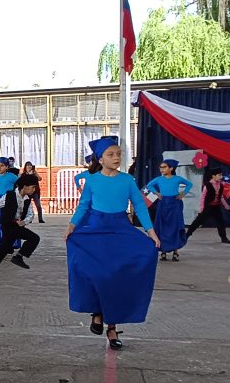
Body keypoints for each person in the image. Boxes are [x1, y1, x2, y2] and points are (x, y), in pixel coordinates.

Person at [65, 137, 160, 350]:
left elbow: (140, 205)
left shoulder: (127, 180)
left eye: (118, 154)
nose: (116, 157)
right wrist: (72, 226)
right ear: (100, 159)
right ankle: (97, 312)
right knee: (93, 272)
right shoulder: (92, 180)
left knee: (118, 276)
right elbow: (84, 205)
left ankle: (112, 327)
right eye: (111, 154)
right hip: (95, 230)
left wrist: (150, 232)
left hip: (120, 229)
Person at [0, 174, 41, 281]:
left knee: (3, 250)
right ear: (25, 186)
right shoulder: (10, 195)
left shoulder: (27, 199)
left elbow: (31, 214)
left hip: (16, 225)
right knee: (34, 238)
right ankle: (18, 257)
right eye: (33, 187)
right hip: (8, 225)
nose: (34, 189)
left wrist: (24, 222)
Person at [145, 159, 192, 261]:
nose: (161, 169)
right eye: (161, 167)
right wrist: (157, 193)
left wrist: (183, 193)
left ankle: (175, 252)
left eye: (164, 167)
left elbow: (189, 184)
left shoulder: (177, 178)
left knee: (175, 226)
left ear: (171, 168)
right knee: (162, 226)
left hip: (175, 204)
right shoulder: (158, 179)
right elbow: (149, 185)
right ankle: (163, 251)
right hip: (163, 204)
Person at [185, 167, 230, 243]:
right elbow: (203, 197)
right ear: (213, 176)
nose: (221, 177)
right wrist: (202, 208)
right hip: (208, 206)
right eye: (219, 175)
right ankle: (187, 234)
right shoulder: (207, 185)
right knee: (198, 221)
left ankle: (224, 237)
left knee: (220, 222)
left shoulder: (221, 185)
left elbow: (221, 196)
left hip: (216, 206)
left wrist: (226, 205)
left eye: (221, 175)